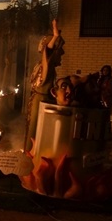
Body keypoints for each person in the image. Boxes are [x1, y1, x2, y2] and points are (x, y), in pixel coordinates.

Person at [25, 18, 65, 151]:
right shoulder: (44, 65)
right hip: (40, 100)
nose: (62, 54)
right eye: (59, 51)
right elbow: (47, 51)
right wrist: (55, 36)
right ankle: (31, 153)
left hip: (44, 99)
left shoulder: (47, 67)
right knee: (35, 128)